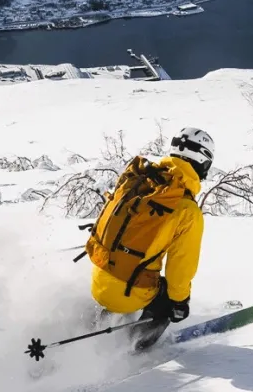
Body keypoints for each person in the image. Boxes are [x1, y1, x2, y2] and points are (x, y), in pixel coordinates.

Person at [83, 127, 213, 351]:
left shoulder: (143, 181)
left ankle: (106, 317)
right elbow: (180, 268)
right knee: (166, 295)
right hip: (128, 293)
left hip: (98, 281)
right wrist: (179, 302)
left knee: (131, 271)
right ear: (201, 161)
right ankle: (135, 347)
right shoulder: (185, 208)